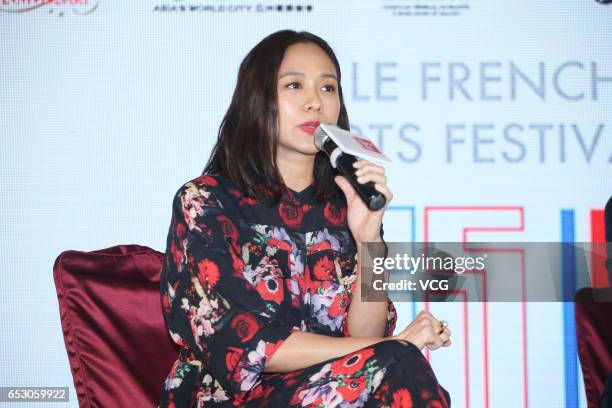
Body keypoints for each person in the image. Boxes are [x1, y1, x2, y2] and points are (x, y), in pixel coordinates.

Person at [159, 30, 451, 407]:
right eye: (295, 85)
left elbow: (364, 333)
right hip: (231, 399)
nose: (315, 102)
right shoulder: (206, 202)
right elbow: (251, 348)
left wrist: (369, 239)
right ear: (257, 98)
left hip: (332, 392)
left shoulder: (341, 206)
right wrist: (394, 345)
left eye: (328, 88)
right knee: (398, 358)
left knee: (397, 363)